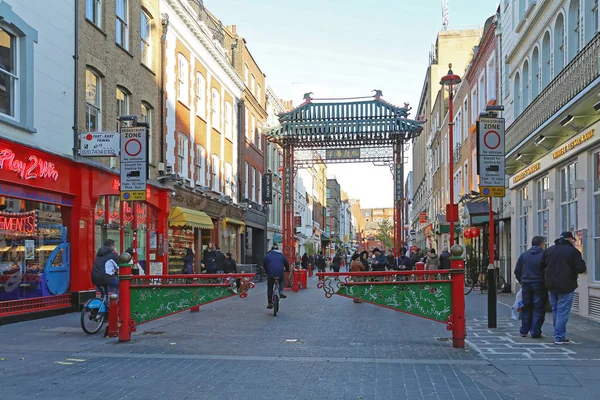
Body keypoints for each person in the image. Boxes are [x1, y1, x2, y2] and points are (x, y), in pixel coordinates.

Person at [540, 231, 587, 345]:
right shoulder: (573, 252)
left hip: (551, 284)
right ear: (570, 239)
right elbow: (581, 268)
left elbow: (541, 265)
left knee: (556, 309)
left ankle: (558, 334)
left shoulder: (549, 250)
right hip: (567, 284)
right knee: (562, 311)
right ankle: (559, 336)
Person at [514, 236, 547, 338]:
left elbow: (517, 271)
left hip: (526, 284)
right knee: (539, 307)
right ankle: (535, 331)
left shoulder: (524, 255)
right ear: (542, 244)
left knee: (527, 307)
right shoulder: (544, 255)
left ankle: (524, 330)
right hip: (540, 284)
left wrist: (522, 281)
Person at [263, 244, 289, 309]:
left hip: (270, 274)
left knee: (270, 287)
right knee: (281, 280)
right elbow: (286, 264)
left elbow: (264, 265)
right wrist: (287, 269)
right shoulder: (282, 255)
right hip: (279, 273)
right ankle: (280, 291)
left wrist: (266, 272)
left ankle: (270, 303)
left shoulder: (267, 256)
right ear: (278, 249)